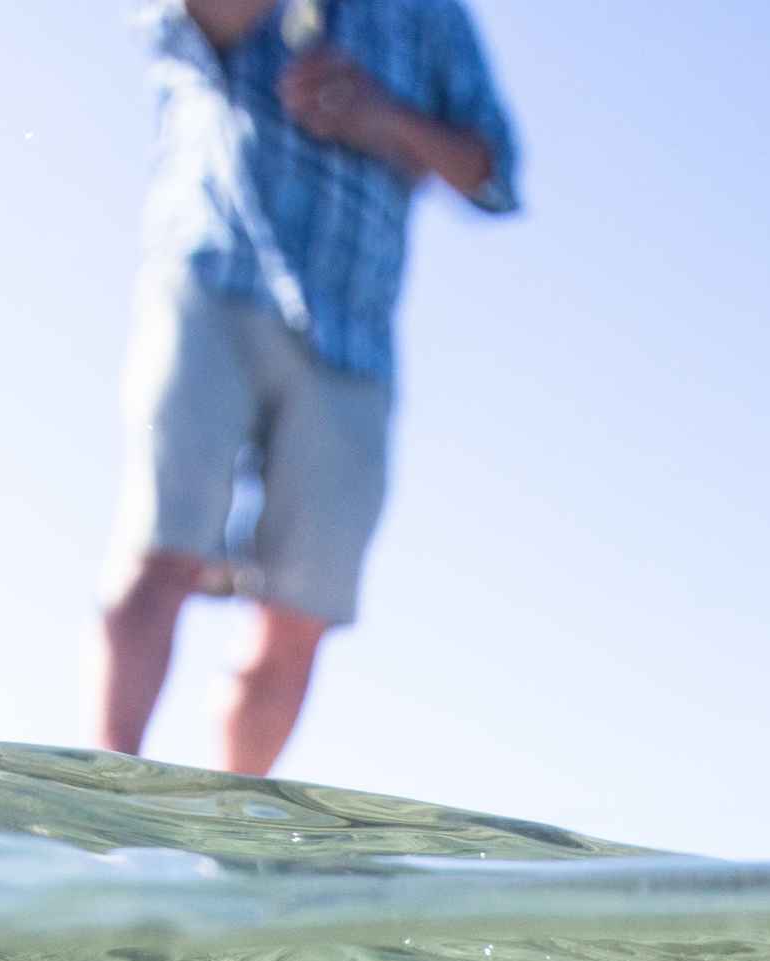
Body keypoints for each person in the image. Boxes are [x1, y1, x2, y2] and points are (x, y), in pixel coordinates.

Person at [95, 0, 522, 772]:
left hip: (354, 334)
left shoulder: (432, 16)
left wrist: (383, 117)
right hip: (214, 272)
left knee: (300, 607)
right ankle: (102, 796)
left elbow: (495, 175)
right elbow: (190, 24)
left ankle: (235, 843)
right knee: (163, 547)